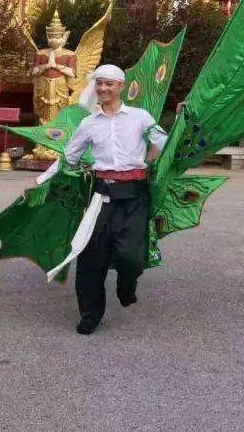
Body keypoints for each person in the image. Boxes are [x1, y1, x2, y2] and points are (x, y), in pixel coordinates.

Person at [63, 64, 167, 335]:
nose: (103, 88)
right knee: (90, 258)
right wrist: (39, 183)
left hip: (135, 194)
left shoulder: (139, 117)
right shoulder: (88, 123)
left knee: (131, 256)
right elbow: (69, 157)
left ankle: (126, 283)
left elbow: (165, 142)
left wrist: (153, 156)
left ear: (121, 87)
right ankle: (89, 316)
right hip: (101, 194)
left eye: (109, 84)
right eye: (99, 83)